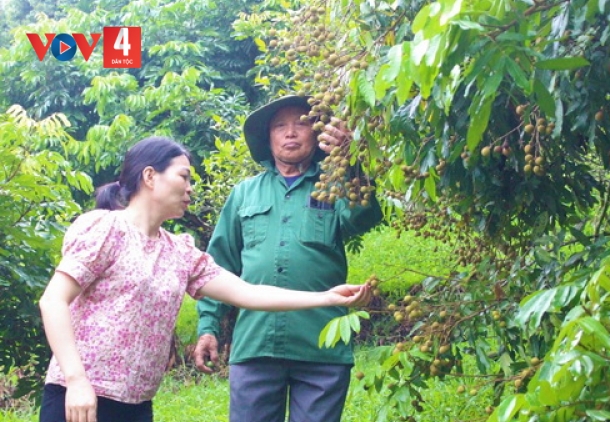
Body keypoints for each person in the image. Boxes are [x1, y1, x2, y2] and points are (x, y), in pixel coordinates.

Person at [38, 136, 372, 422]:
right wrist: (76, 380)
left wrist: (327, 297)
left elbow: (247, 293)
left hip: (137, 403)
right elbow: (54, 300)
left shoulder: (179, 252)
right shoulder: (106, 229)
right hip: (80, 399)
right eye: (184, 177)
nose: (190, 188)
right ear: (151, 177)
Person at [193, 95, 383, 422]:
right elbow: (217, 266)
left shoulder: (334, 184)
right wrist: (208, 326)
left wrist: (350, 160)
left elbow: (363, 218)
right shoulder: (244, 194)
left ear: (316, 134)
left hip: (321, 343)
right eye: (280, 126)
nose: (290, 133)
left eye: (301, 124)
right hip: (255, 345)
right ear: (268, 139)